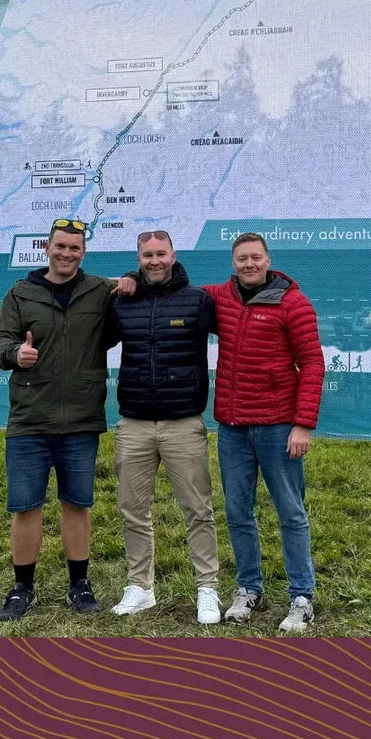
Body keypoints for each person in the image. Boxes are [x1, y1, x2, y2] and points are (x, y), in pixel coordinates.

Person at [0, 218, 132, 622]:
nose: (67, 253)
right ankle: (22, 588)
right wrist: (15, 353)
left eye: (75, 248)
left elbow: (135, 290)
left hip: (81, 421)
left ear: (83, 253)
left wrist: (130, 282)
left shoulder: (101, 291)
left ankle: (79, 584)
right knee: (26, 507)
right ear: (47, 248)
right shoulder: (21, 293)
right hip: (30, 420)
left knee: (77, 505)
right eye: (61, 246)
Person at [202, 232, 325, 633]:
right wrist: (128, 281)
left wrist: (303, 424)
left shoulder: (293, 302)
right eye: (241, 258)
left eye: (256, 257)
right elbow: (172, 287)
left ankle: (302, 597)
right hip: (233, 427)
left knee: (290, 512)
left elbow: (312, 363)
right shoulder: (220, 297)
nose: (249, 264)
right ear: (233, 262)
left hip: (278, 426)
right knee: (238, 513)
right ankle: (248, 589)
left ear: (268, 260)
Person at [106, 230, 221, 625]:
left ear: (173, 255)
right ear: (138, 258)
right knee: (132, 510)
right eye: (146, 255)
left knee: (198, 510)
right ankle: (141, 587)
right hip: (133, 423)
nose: (154, 260)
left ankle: (207, 588)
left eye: (160, 253)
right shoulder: (123, 300)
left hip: (184, 423)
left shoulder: (199, 301)